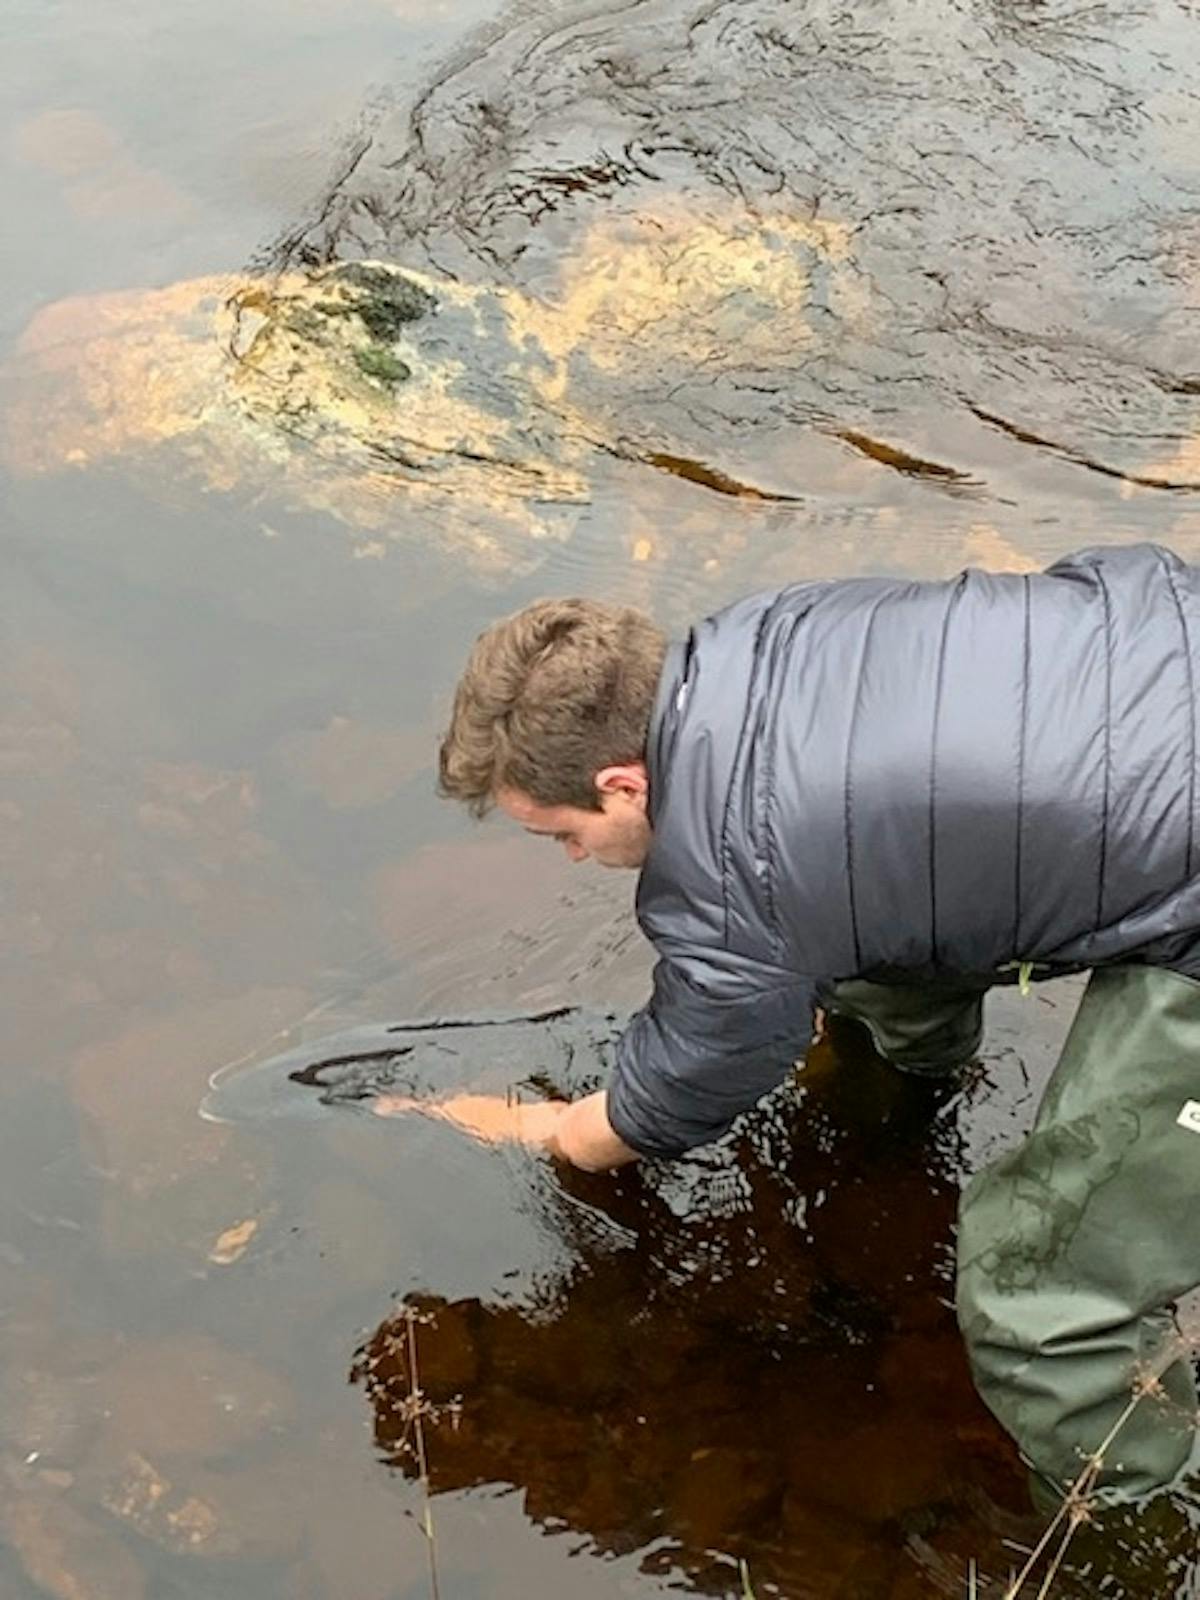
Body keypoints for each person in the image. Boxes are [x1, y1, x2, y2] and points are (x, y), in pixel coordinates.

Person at [425, 541, 1200, 1509]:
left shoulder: (730, 868)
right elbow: (868, 861)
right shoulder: (764, 635)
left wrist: (531, 1127)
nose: (575, 859)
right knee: (867, 935)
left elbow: (683, 1081)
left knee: (1035, 1290)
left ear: (622, 784)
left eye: (563, 834)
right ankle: (904, 1084)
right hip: (1165, 644)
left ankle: (1128, 1527)